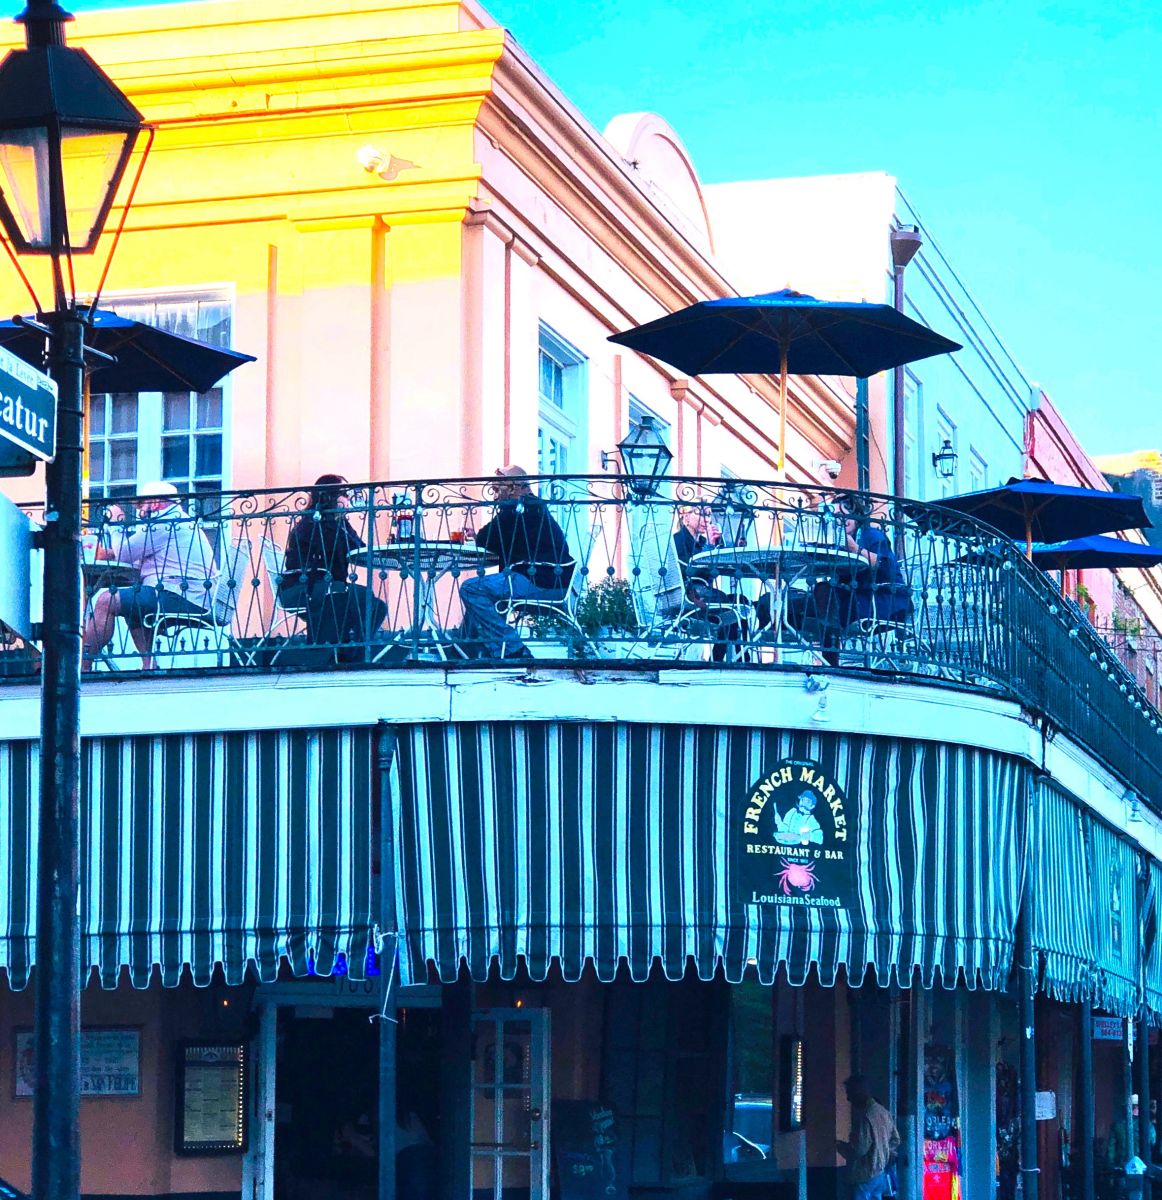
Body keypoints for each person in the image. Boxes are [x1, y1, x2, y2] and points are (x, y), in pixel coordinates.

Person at [82, 482, 218, 671]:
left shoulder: (164, 524)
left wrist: (116, 524)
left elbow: (124, 554)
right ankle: (149, 664)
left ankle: (83, 666)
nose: (139, 510)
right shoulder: (175, 521)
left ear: (154, 503)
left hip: (182, 595)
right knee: (133, 601)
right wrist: (110, 552)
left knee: (107, 600)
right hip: (190, 594)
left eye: (141, 505)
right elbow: (133, 555)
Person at [458, 465, 574, 660]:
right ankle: (464, 645)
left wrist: (500, 510)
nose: (495, 493)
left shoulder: (520, 508)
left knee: (472, 589)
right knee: (484, 591)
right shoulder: (531, 507)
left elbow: (486, 539)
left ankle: (511, 648)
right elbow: (494, 540)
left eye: (498, 488)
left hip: (540, 579)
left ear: (514, 487)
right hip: (549, 578)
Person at [786, 506, 912, 667]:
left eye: (846, 515)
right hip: (853, 600)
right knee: (786, 602)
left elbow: (885, 566)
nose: (841, 519)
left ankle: (830, 663)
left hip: (882, 600)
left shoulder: (870, 534)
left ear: (857, 515)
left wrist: (854, 548)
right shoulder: (838, 541)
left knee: (825, 592)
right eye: (837, 516)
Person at [280, 474, 388, 660]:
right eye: (344, 494)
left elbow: (359, 548)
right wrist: (339, 523)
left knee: (374, 604)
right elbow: (337, 548)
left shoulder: (338, 522)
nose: (349, 499)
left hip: (328, 587)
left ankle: (355, 653)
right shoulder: (313, 523)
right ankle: (350, 654)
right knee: (361, 599)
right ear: (329, 495)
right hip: (306, 588)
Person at [673, 506, 744, 661]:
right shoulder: (679, 539)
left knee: (740, 601)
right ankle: (723, 659)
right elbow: (691, 570)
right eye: (701, 514)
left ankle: (741, 658)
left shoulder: (701, 543)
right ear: (686, 517)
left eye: (709, 515)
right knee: (730, 605)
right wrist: (711, 547)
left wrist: (720, 546)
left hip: (703, 592)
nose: (706, 519)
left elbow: (714, 569)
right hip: (692, 595)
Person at [837, 1075, 900, 1200]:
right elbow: (895, 1139)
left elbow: (859, 1149)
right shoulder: (883, 1112)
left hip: (864, 1175)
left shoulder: (866, 1117)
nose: (848, 1099)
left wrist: (840, 1146)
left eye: (850, 1093)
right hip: (880, 1173)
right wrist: (883, 1151)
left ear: (859, 1092)